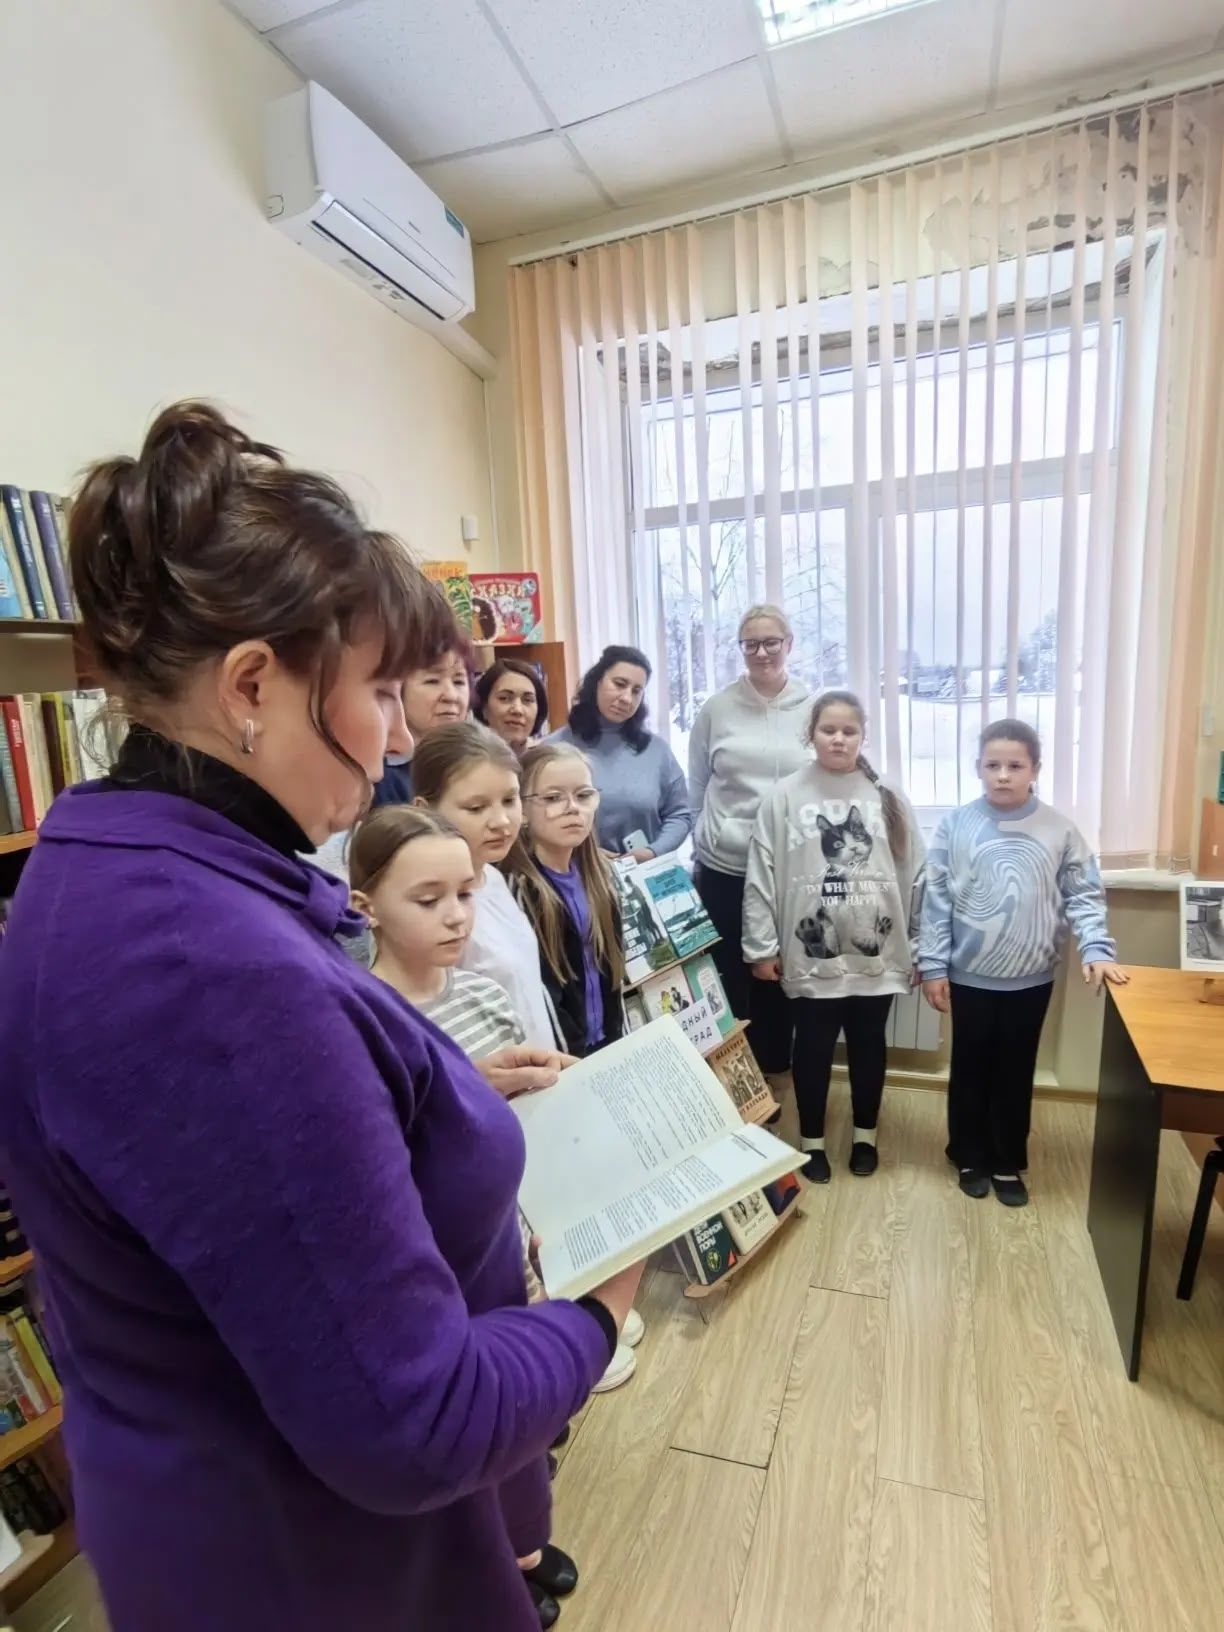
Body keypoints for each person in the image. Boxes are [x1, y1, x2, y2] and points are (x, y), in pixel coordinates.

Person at [0, 401, 643, 1632]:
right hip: (318, 1569)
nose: (398, 737)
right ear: (253, 687)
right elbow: (417, 1421)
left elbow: (241, 1172)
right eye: (381, 694)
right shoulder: (204, 973)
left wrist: (425, 1101)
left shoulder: (103, 855)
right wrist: (595, 1312)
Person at [348, 803, 581, 1627]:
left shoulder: (481, 992)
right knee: (469, 1413)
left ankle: (522, 1543)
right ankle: (487, 1564)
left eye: (466, 894)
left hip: (506, 1234)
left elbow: (517, 1123)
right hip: (435, 1257)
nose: (455, 916)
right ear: (366, 906)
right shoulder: (363, 1020)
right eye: (428, 899)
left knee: (521, 1409)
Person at [412, 723, 641, 1389]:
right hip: (487, 1092)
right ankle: (549, 1347)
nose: (501, 820)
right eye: (476, 806)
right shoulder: (445, 902)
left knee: (548, 1211)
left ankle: (571, 1317)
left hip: (533, 1073)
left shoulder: (491, 881)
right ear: (427, 809)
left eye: (509, 801)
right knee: (508, 1233)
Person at [918, 719, 1128, 1207]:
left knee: (1015, 1070)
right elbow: (936, 901)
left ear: (1035, 769)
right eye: (993, 765)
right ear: (978, 768)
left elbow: (1084, 894)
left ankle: (1006, 1158)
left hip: (1030, 979)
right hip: (969, 975)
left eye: (1015, 765)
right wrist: (933, 966)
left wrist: (1097, 948)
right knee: (970, 1067)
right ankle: (967, 1153)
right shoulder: (955, 826)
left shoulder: (1059, 829)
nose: (1003, 775)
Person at [744, 690, 925, 1182]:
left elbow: (917, 873)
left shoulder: (887, 796)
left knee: (868, 1043)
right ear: (811, 734)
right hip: (810, 956)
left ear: (863, 735)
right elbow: (761, 874)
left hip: (876, 954)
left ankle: (865, 1136)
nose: (839, 739)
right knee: (813, 1046)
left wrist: (918, 943)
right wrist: (760, 946)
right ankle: (813, 1142)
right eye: (828, 730)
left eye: (849, 731)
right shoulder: (785, 796)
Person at [688, 606, 810, 1081]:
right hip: (726, 864)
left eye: (771, 642)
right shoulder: (717, 708)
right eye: (750, 644)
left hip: (788, 868)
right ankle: (730, 1079)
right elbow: (698, 784)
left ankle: (773, 1072)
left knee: (778, 974)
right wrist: (702, 835)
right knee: (726, 973)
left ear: (789, 644)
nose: (761, 653)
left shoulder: (811, 706)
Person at [505, 742, 626, 1059]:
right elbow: (540, 992)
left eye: (584, 795)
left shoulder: (600, 878)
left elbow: (613, 976)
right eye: (552, 798)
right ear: (523, 810)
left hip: (606, 1043)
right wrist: (571, 1058)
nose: (573, 808)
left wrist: (619, 1040)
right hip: (563, 1057)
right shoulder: (521, 890)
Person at [549, 645, 690, 861]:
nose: (626, 698)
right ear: (597, 682)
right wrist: (586, 855)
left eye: (636, 691)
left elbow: (680, 814)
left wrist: (652, 852)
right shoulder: (553, 749)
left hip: (647, 872)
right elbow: (536, 820)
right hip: (576, 872)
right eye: (619, 684)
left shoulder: (657, 751)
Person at [370, 639, 472, 806]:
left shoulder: (478, 762)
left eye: (459, 682)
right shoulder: (381, 777)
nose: (451, 696)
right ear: (397, 690)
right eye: (432, 681)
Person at [474, 657, 548, 756]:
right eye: (504, 698)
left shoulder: (549, 761)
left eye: (527, 700)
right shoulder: (466, 761)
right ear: (484, 708)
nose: (517, 710)